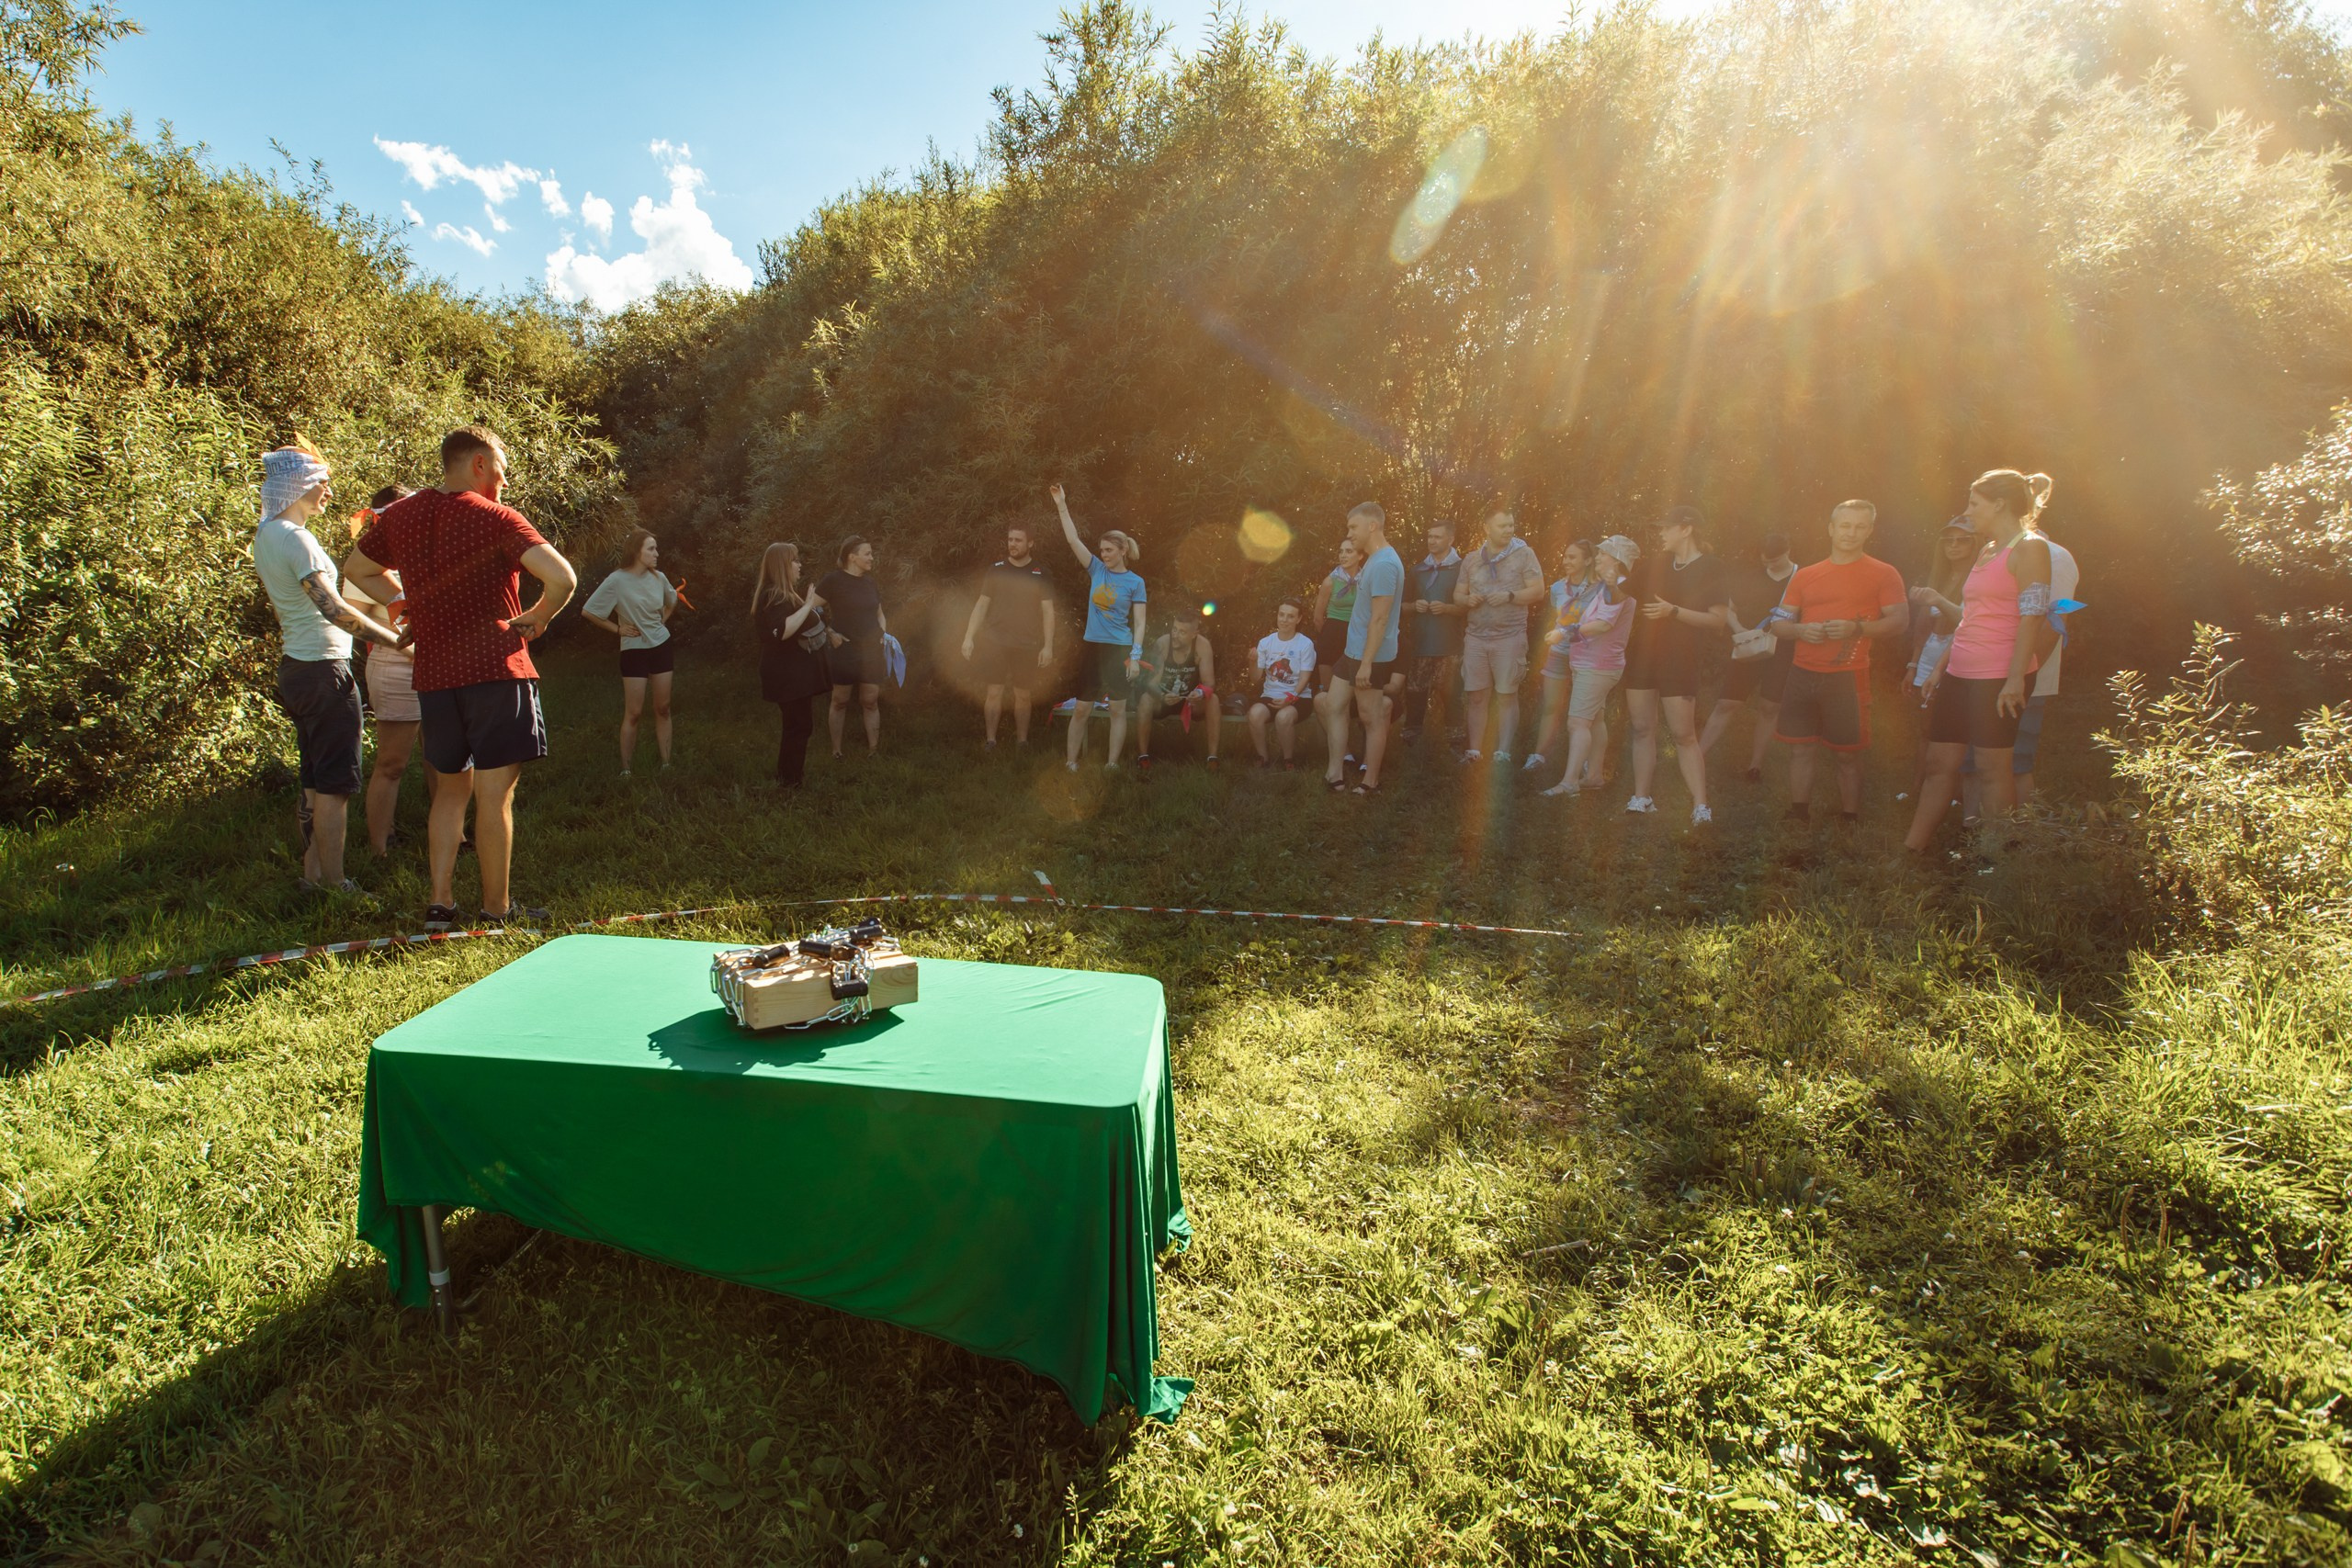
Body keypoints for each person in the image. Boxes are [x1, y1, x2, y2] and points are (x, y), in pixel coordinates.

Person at [345, 424, 576, 930]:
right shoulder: (498, 518)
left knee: (449, 792)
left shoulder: (400, 515)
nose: (504, 482)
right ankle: (496, 910)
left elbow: (356, 569)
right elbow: (562, 578)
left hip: (435, 676)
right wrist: (540, 616)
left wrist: (399, 602)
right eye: (502, 470)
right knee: (494, 796)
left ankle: (440, 904)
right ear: (479, 463)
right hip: (496, 671)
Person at [254, 442, 401, 897]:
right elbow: (334, 610)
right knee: (335, 785)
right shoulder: (297, 539)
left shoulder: (266, 535)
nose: (329, 492)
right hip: (324, 671)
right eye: (322, 483)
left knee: (314, 779)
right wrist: (400, 642)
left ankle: (313, 875)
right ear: (296, 484)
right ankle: (337, 885)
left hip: (297, 668)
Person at [1904, 470, 2056, 854]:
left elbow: (2033, 616)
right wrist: (1940, 668)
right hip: (1959, 672)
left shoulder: (2030, 548)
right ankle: (1911, 851)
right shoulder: (1988, 548)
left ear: (1999, 504)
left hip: (1999, 675)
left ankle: (1998, 857)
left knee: (1991, 767)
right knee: (1939, 762)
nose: (1968, 511)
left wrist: (2015, 679)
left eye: (1974, 503)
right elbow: (1971, 617)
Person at [1766, 502, 1909, 822]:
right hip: (1802, 672)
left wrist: (1856, 628)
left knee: (1847, 753)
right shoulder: (1805, 575)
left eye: (1860, 526)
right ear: (1831, 528)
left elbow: (1900, 622)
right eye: (1845, 525)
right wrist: (1801, 630)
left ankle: (1849, 817)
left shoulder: (1884, 573)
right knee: (1800, 747)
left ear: (1869, 531)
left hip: (1848, 675)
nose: (1851, 533)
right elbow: (1778, 624)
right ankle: (1798, 812)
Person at [343, 485, 442, 858]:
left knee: (440, 755)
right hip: (395, 667)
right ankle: (380, 846)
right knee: (391, 763)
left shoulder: (428, 553)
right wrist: (403, 644)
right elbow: (352, 619)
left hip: (439, 666)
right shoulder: (367, 563)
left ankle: (447, 833)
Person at [1622, 504, 1731, 824]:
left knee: (1683, 734)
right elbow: (1618, 595)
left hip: (1680, 660)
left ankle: (1701, 806)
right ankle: (1642, 798)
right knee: (1642, 728)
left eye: (1666, 527)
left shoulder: (1712, 567)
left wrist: (1673, 611)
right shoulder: (1656, 564)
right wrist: (1609, 569)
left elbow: (1718, 621)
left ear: (1686, 529)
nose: (1661, 533)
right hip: (1643, 657)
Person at [1049, 482, 1148, 771]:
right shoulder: (1096, 570)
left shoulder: (1136, 582)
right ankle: (1071, 762)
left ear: (1122, 550)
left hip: (1119, 649)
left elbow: (1140, 622)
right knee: (1082, 708)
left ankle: (1112, 764)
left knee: (1118, 709)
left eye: (1109, 550)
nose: (1103, 554)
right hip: (1092, 646)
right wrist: (1061, 505)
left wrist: (1135, 657)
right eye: (1102, 550)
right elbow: (1072, 540)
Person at [1542, 535, 1640, 797]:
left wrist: (1565, 631)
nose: (1598, 558)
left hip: (1596, 666)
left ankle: (1570, 782)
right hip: (1593, 664)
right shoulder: (1612, 586)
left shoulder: (1616, 588)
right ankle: (1594, 775)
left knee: (1577, 723)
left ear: (1616, 560)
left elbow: (1603, 625)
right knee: (1595, 720)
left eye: (1603, 554)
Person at [1699, 531, 1798, 784]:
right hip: (1749, 646)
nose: (1769, 565)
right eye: (1765, 561)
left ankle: (1755, 766)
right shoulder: (1752, 577)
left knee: (1769, 707)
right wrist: (1739, 629)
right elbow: (1729, 610)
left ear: (1788, 551)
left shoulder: (1802, 578)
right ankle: (1696, 757)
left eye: (1775, 560)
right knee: (1726, 703)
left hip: (1784, 651)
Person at [1317, 503, 1404, 795]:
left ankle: (1371, 781)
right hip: (1352, 651)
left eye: (1354, 527)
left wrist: (1367, 664)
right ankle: (1335, 773)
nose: (1349, 532)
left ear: (1372, 526)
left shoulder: (1384, 565)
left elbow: (1380, 619)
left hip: (1370, 655)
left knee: (1371, 716)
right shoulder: (1375, 560)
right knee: (1333, 705)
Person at [579, 527, 680, 777]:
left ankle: (667, 765)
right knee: (633, 713)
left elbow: (672, 600)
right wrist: (618, 629)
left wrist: (661, 623)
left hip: (661, 647)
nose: (657, 553)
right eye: (651, 549)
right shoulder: (617, 580)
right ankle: (626, 771)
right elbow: (589, 611)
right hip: (634, 650)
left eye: (656, 548)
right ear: (637, 552)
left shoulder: (659, 578)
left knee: (663, 707)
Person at [1453, 508, 1544, 763]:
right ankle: (1474, 752)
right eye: (1502, 526)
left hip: (1509, 636)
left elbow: (1538, 591)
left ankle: (1503, 753)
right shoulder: (1472, 559)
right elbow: (1457, 595)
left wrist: (1510, 596)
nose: (1508, 530)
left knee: (1506, 695)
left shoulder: (1524, 554)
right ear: (1486, 528)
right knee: (1476, 696)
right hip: (1476, 637)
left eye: (1511, 525)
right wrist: (1467, 600)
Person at [959, 521, 1057, 748]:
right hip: (995, 641)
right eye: (1010, 539)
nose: (1013, 544)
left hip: (1027, 643)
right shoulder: (996, 569)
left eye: (1018, 540)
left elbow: (1048, 612)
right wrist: (968, 637)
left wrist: (1048, 646)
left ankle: (1022, 742)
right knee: (994, 692)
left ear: (1030, 543)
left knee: (1023, 695)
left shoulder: (1041, 573)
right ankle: (991, 741)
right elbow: (981, 605)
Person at [750, 542, 831, 789]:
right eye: (795, 561)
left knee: (797, 725)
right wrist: (807, 605)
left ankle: (788, 778)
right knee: (798, 726)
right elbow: (782, 630)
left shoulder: (782, 595)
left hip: (793, 673)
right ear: (782, 565)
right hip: (786, 674)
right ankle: (790, 782)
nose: (799, 565)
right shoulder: (773, 595)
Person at [2010, 523, 2081, 802]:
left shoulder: (2055, 556)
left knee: (2016, 762)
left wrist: (2022, 676)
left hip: (2023, 680)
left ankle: (2024, 827)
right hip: (1991, 673)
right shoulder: (1998, 551)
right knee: (1981, 761)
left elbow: (2053, 622)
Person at [1524, 537, 1607, 774]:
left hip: (1588, 656)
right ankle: (1539, 755)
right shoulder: (1558, 588)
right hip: (1559, 653)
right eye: (1565, 556)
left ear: (1588, 561)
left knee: (1593, 714)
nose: (1566, 561)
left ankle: (1589, 762)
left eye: (1572, 557)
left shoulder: (1602, 589)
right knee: (1550, 706)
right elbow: (1558, 618)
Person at [808, 536, 888, 757]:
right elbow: (809, 610)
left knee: (870, 701)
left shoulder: (870, 583)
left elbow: (880, 614)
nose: (872, 558)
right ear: (852, 557)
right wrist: (829, 632)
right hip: (844, 650)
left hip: (872, 651)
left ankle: (874, 751)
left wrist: (883, 634)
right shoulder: (833, 580)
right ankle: (837, 751)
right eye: (867, 554)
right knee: (839, 701)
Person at [1399, 520, 1464, 743]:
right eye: (1430, 536)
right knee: (1415, 692)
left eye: (1437, 537)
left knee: (1451, 695)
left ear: (1450, 539)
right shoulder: (1418, 570)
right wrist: (1413, 606)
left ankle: (1455, 741)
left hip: (1449, 645)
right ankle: (1411, 739)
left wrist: (1447, 608)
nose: (1432, 541)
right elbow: (1401, 607)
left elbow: (1470, 608)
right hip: (1421, 644)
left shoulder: (1462, 569)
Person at [1136, 607, 1221, 771]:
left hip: (1189, 701)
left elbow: (1209, 683)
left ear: (1194, 634)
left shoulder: (1202, 645)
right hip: (1163, 699)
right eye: (1174, 629)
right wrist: (1162, 696)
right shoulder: (1163, 644)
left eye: (1182, 632)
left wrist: (1200, 693)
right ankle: (1143, 757)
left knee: (1214, 700)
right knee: (1145, 699)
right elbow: (1151, 683)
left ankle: (1212, 758)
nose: (1175, 635)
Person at [1248, 598, 1317, 768]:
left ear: (1298, 619)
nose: (1285, 620)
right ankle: (1263, 758)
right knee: (1254, 713)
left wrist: (1290, 698)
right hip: (1271, 695)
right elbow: (1255, 678)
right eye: (1282, 615)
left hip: (1299, 697)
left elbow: (1305, 678)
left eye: (1290, 616)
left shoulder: (1305, 644)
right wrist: (1252, 662)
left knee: (1283, 717)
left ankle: (1288, 760)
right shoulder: (1265, 643)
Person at [1310, 538, 1363, 698]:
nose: (1343, 555)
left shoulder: (1366, 581)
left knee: (1352, 691)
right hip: (1331, 638)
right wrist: (1328, 637)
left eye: (1349, 551)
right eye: (1341, 551)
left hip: (1355, 637)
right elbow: (1317, 618)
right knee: (1327, 690)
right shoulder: (1330, 581)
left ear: (1360, 556)